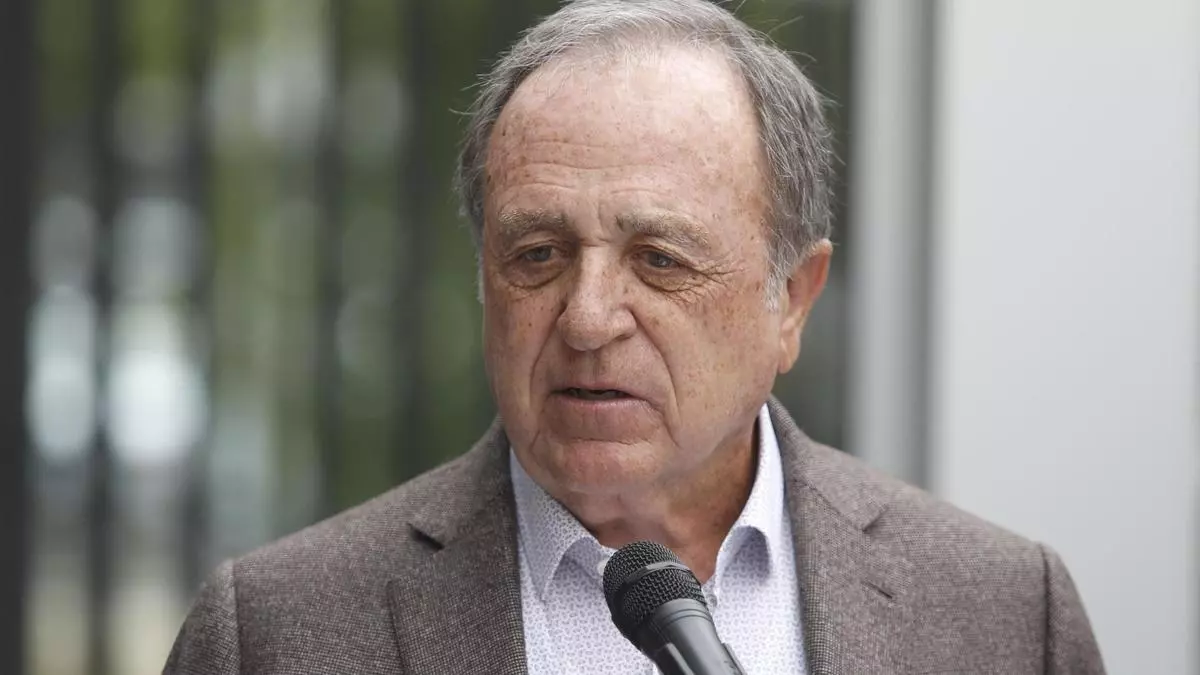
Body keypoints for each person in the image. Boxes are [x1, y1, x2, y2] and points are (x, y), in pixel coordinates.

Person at [164, 1, 1105, 673]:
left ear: (792, 300)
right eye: (537, 255)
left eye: (659, 259)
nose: (587, 317)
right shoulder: (277, 633)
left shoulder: (1004, 611)